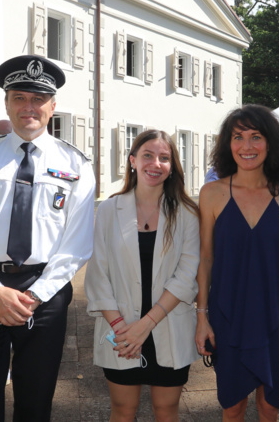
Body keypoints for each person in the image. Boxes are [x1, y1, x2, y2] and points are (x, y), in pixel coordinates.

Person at [0, 55, 95, 421]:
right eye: (20, 98)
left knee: (35, 401)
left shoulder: (76, 165)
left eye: (38, 99)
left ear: (52, 106)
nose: (29, 107)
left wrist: (35, 295)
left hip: (44, 291)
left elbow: (77, 244)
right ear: (7, 103)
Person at [195, 105, 279, 421]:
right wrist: (201, 318)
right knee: (232, 407)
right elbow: (205, 260)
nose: (247, 146)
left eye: (256, 137)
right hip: (227, 317)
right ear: (227, 143)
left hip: (275, 319)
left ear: (270, 142)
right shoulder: (211, 194)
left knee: (270, 408)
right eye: (238, 137)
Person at [85, 129, 200, 422]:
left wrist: (145, 325)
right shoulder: (109, 209)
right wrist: (124, 329)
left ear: (172, 166)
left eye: (164, 157)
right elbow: (98, 273)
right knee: (123, 411)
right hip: (120, 331)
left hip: (169, 325)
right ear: (133, 160)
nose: (156, 163)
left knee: (166, 410)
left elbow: (187, 275)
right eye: (148, 155)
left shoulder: (187, 213)